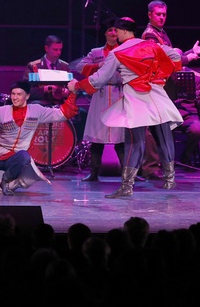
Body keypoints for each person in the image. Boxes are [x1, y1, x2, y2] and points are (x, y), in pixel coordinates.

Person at [69, 17, 183, 197]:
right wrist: (158, 75)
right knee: (163, 137)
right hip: (156, 94)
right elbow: (176, 56)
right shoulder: (153, 46)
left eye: (117, 31)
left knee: (134, 142)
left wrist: (77, 85)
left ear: (123, 31)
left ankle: (126, 187)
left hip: (135, 98)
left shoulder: (117, 52)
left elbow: (100, 78)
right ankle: (170, 181)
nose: (116, 35)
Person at [140, 0, 200, 180]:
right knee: (152, 127)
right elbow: (162, 59)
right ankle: (150, 168)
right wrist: (187, 59)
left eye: (164, 14)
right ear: (150, 15)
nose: (162, 17)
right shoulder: (150, 36)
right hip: (155, 85)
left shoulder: (160, 33)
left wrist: (190, 52)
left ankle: (157, 165)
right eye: (158, 14)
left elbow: (171, 56)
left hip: (163, 87)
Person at [74, 18, 125, 182]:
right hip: (101, 95)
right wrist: (98, 65)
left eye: (116, 30)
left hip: (118, 94)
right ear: (105, 33)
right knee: (97, 136)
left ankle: (128, 174)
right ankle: (94, 172)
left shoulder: (124, 50)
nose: (113, 33)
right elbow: (80, 66)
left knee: (121, 137)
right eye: (110, 30)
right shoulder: (96, 53)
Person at [171, 48, 200, 166]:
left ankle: (185, 157)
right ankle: (162, 161)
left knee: (196, 131)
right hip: (167, 113)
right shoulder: (163, 74)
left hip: (188, 114)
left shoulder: (196, 77)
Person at [25, 34, 71, 106]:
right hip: (40, 104)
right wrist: (44, 90)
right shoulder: (34, 66)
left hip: (60, 105)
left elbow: (71, 90)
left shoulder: (65, 67)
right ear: (46, 48)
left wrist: (67, 92)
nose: (58, 53)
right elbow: (26, 90)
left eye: (60, 49)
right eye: (55, 49)